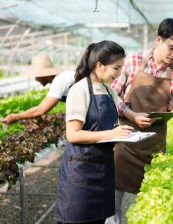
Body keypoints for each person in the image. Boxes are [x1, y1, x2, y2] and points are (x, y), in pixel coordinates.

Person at [106, 18, 173, 224]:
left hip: (153, 149)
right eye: (171, 47)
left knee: (147, 207)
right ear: (159, 40)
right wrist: (131, 115)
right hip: (123, 144)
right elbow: (111, 96)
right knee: (112, 205)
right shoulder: (132, 62)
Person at [55, 41, 134, 224]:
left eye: (121, 68)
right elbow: (73, 135)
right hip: (81, 172)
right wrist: (112, 134)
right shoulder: (79, 89)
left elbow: (114, 120)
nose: (119, 73)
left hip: (103, 168)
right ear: (100, 64)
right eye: (116, 67)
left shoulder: (108, 90)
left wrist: (125, 130)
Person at [1, 54, 74, 124]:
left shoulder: (60, 81)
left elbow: (41, 110)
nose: (36, 79)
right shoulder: (63, 77)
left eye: (37, 75)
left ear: (44, 75)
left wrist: (16, 116)